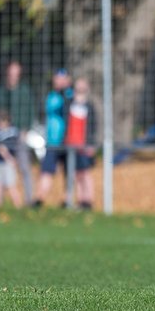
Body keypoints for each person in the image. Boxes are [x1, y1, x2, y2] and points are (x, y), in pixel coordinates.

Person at [0, 59, 36, 203]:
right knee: (0, 169)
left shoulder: (24, 91)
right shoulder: (0, 91)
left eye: (16, 74)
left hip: (19, 136)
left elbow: (31, 112)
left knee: (24, 167)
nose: (13, 77)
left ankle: (29, 201)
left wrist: (25, 130)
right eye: (11, 74)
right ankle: (0, 203)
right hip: (3, 137)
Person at [33, 68, 71, 207]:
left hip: (68, 141)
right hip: (53, 141)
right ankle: (39, 199)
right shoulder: (52, 96)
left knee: (69, 172)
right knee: (46, 170)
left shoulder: (70, 95)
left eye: (63, 78)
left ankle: (68, 200)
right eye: (57, 78)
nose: (60, 81)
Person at [61, 76, 98, 210]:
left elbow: (93, 126)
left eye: (83, 87)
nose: (80, 89)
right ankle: (79, 200)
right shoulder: (69, 103)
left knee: (85, 173)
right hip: (71, 144)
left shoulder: (90, 106)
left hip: (84, 144)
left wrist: (91, 143)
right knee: (75, 174)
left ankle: (88, 200)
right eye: (78, 86)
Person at [0, 110, 24, 208]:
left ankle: (18, 207)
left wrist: (11, 159)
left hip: (6, 163)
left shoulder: (10, 132)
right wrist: (11, 159)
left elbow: (4, 148)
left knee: (10, 186)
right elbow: (1, 149)